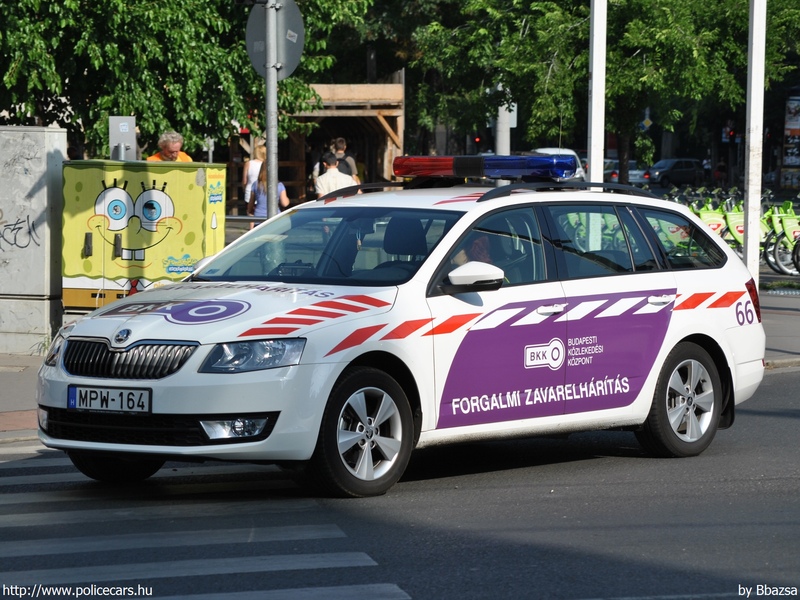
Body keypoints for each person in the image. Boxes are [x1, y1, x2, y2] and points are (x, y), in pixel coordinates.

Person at [248, 161, 290, 226]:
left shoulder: (256, 184)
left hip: (259, 218)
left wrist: (250, 210)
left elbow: (251, 203)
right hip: (275, 218)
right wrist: (288, 199)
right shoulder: (279, 185)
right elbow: (285, 203)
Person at [243, 141, 267, 208]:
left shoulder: (248, 164)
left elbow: (245, 181)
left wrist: (244, 189)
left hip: (249, 193)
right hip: (264, 192)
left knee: (250, 215)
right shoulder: (266, 164)